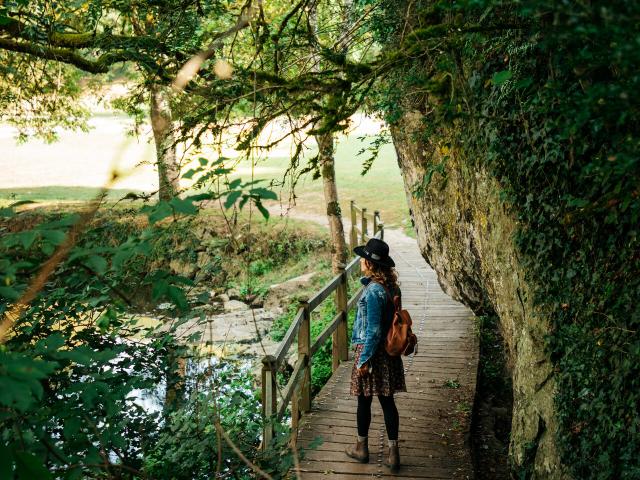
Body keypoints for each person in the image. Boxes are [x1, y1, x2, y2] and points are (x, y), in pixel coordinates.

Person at [345, 237, 406, 472]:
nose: (361, 261)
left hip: (372, 352)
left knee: (364, 401)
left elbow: (373, 330)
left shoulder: (372, 291)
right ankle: (393, 453)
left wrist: (364, 359)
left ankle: (361, 448)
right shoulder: (393, 287)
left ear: (370, 264)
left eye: (364, 258)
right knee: (388, 401)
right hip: (389, 354)